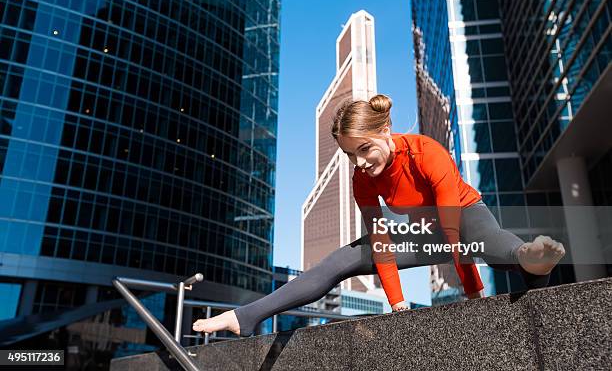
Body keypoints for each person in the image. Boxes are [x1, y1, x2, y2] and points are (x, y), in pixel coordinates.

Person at [193, 94, 565, 337]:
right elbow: (382, 242)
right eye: (350, 155)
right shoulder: (363, 179)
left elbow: (456, 231)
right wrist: (397, 303)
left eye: (365, 149)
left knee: (492, 243)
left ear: (385, 130)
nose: (359, 163)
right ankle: (245, 316)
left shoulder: (426, 153)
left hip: (464, 217)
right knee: (344, 257)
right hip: (424, 232)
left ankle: (532, 259)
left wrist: (473, 293)